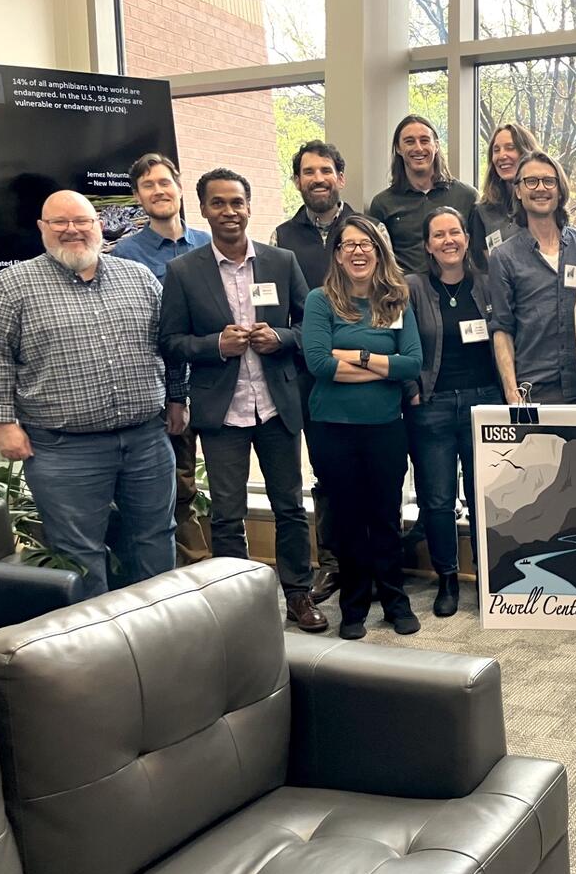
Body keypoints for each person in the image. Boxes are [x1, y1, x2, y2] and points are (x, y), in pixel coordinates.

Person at [0, 189, 184, 598]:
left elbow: (169, 346)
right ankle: (96, 648)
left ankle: (163, 626)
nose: (72, 230)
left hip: (145, 439)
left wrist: (177, 399)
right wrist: (4, 425)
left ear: (98, 225)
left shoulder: (137, 277)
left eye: (82, 221)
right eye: (60, 222)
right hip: (63, 450)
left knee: (156, 536)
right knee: (79, 552)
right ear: (42, 229)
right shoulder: (12, 285)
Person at [159, 167, 327, 634]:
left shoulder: (280, 260)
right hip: (222, 410)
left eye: (237, 202)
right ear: (204, 210)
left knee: (290, 507)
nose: (229, 211)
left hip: (277, 405)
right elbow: (170, 341)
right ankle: (240, 606)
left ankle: (298, 595)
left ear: (249, 207)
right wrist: (215, 345)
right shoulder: (183, 272)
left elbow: (311, 326)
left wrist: (280, 337)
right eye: (219, 203)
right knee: (229, 514)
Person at [302, 215, 423, 639]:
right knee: (349, 520)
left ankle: (394, 601)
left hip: (385, 427)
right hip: (333, 429)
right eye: (348, 244)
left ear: (378, 250)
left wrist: (355, 357)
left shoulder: (396, 300)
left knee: (386, 518)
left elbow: (412, 363)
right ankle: (352, 608)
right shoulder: (321, 301)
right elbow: (317, 362)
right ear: (337, 254)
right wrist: (383, 368)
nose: (357, 251)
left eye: (365, 243)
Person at [271, 139, 362, 606]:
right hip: (310, 372)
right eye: (308, 172)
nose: (318, 178)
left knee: (366, 469)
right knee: (325, 471)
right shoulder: (283, 238)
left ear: (340, 177)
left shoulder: (366, 228)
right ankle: (332, 563)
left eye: (326, 170)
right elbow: (279, 310)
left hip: (368, 368)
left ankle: (367, 560)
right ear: (298, 181)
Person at [111, 152, 212, 567]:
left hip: (218, 380)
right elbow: (139, 335)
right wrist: (176, 395)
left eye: (164, 182)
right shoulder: (124, 257)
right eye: (148, 185)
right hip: (165, 391)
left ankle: (226, 574)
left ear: (180, 186)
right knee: (179, 486)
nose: (159, 191)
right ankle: (186, 578)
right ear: (138, 196)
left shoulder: (207, 243)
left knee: (226, 486)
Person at [404, 207, 503, 617]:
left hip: (485, 402)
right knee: (438, 500)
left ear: (466, 238)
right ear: (428, 245)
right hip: (432, 405)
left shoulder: (487, 283)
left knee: (485, 497)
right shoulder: (412, 287)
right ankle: (448, 579)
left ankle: (487, 579)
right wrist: (411, 389)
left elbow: (506, 336)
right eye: (439, 235)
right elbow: (399, 341)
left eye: (455, 232)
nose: (449, 240)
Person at [489, 151, 576, 405]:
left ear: (560, 190)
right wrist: (511, 390)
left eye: (549, 181)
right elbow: (502, 329)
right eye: (531, 181)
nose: (541, 188)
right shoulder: (503, 257)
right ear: (517, 191)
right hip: (534, 392)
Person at [368, 114, 477, 275]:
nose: (418, 148)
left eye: (425, 140)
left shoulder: (466, 196)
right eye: (409, 141)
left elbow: (477, 253)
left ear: (436, 146)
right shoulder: (382, 203)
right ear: (398, 148)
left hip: (457, 291)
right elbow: (381, 261)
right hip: (405, 295)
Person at [470, 122, 540, 269]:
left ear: (527, 153)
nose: (502, 156)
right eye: (496, 150)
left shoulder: (543, 205)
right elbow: (485, 270)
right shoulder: (482, 212)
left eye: (510, 148)